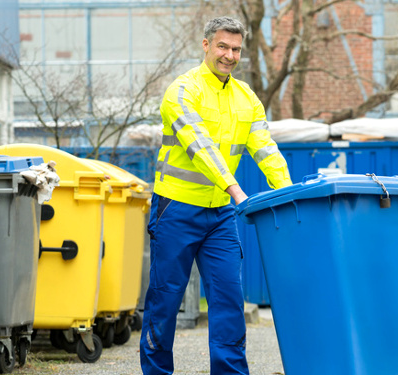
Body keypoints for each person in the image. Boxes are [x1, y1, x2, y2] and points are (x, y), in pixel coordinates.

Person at [140, 16, 292, 375]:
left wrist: (286, 193)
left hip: (220, 215)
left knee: (228, 300)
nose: (229, 55)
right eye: (222, 46)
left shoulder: (246, 98)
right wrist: (236, 189)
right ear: (206, 45)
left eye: (236, 49)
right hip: (176, 208)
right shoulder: (182, 91)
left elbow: (265, 149)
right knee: (165, 299)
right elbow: (200, 147)